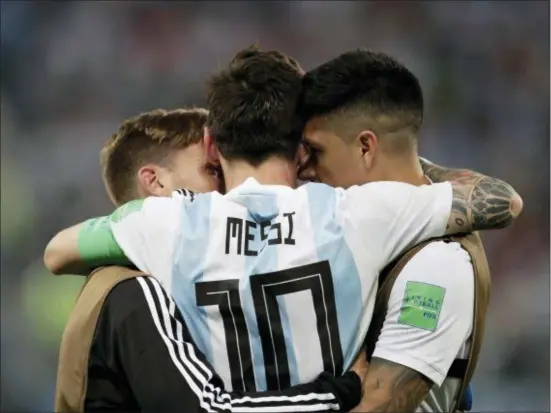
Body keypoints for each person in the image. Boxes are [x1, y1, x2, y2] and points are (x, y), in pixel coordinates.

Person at [44, 45, 522, 401]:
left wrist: (170, 212)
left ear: (212, 145)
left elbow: (59, 251)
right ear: (299, 146)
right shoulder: (362, 212)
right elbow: (501, 201)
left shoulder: (162, 223)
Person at [55, 108, 363, 412]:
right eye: (212, 171)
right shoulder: (134, 291)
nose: (229, 187)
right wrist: (341, 392)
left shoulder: (138, 280)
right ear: (156, 183)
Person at [297, 49, 499, 412]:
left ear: (365, 147)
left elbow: (381, 406)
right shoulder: (378, 231)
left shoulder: (436, 264)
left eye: (317, 151)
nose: (306, 170)